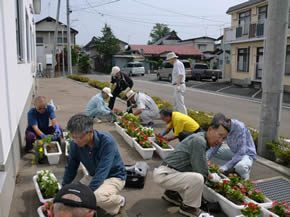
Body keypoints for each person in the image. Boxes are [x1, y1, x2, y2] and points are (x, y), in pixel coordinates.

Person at [153, 114, 230, 217]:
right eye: (220, 136)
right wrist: (212, 177)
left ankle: (171, 194)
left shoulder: (201, 138)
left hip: (167, 172)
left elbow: (197, 162)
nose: (220, 141)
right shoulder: (199, 141)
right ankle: (189, 207)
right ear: (210, 129)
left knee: (191, 171)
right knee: (198, 178)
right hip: (164, 175)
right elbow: (200, 169)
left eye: (223, 138)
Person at [62, 114, 127, 217]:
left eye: (79, 138)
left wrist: (88, 194)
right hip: (93, 175)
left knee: (97, 197)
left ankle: (119, 201)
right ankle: (99, 198)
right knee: (74, 194)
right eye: (73, 137)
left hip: (114, 176)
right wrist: (63, 188)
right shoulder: (75, 145)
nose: (75, 141)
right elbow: (71, 167)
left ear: (90, 132)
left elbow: (102, 170)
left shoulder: (107, 141)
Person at [206, 113, 257, 180]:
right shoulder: (225, 128)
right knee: (214, 151)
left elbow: (241, 152)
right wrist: (205, 159)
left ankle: (244, 176)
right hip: (234, 152)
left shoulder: (239, 127)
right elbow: (215, 147)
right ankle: (232, 168)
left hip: (246, 154)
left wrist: (226, 166)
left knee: (240, 167)